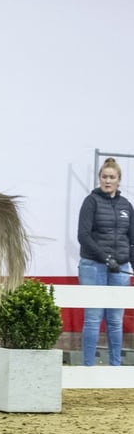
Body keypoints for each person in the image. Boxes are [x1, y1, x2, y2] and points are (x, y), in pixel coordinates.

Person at [77, 157, 134, 366]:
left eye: (112, 177)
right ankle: (88, 367)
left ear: (119, 180)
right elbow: (83, 236)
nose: (107, 181)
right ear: (99, 178)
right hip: (93, 266)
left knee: (115, 321)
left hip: (120, 269)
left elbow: (132, 242)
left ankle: (115, 367)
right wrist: (106, 258)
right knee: (93, 319)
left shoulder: (126, 205)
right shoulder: (91, 202)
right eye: (104, 177)